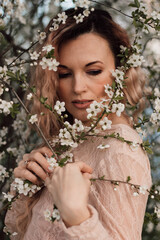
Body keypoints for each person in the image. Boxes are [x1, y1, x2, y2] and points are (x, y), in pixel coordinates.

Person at [5, 7, 152, 240]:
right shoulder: (69, 138)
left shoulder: (121, 153)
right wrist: (26, 192)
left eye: (93, 71)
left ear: (121, 71)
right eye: (64, 74)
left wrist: (76, 215)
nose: (78, 87)